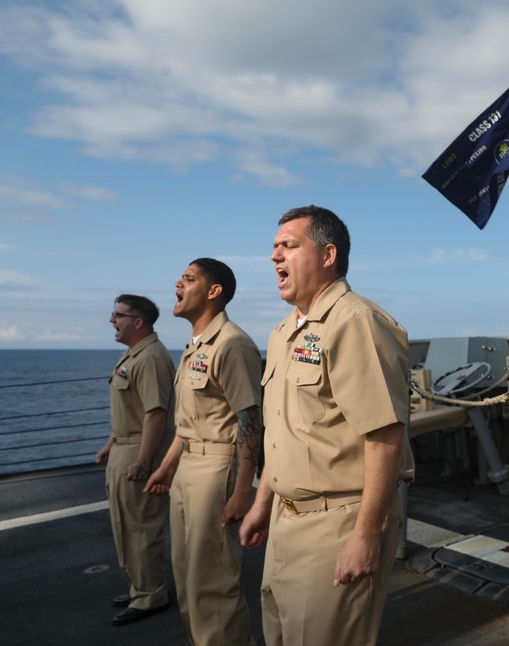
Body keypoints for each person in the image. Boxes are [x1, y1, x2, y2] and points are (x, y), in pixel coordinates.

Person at [240, 205, 412, 645]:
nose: (275, 257)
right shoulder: (284, 332)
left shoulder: (355, 322)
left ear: (328, 254)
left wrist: (366, 535)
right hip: (285, 518)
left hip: (336, 521)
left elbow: (385, 434)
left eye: (289, 246)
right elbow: (283, 432)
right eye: (274, 248)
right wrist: (263, 502)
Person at [145, 258, 263, 645]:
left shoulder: (232, 344)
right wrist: (165, 467)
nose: (177, 284)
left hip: (216, 469)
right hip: (188, 467)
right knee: (188, 578)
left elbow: (250, 419)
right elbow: (187, 422)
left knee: (213, 582)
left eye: (189, 279)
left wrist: (243, 491)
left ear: (214, 292)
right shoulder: (195, 345)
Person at [96, 294, 175, 626]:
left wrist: (144, 462)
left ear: (138, 321)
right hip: (124, 446)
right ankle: (138, 586)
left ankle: (151, 595)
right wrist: (110, 443)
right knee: (123, 526)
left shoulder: (151, 358)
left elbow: (155, 414)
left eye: (118, 315)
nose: (112, 320)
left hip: (141, 448)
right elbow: (132, 410)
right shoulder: (133, 356)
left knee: (141, 527)